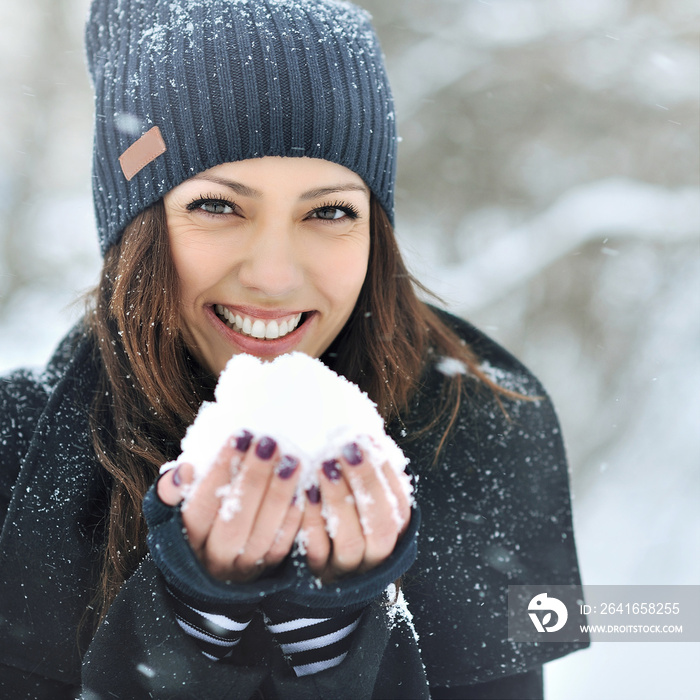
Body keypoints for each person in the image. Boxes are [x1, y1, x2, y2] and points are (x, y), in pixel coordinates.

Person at [0, 0, 589, 697]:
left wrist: (333, 636)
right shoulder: (21, 454)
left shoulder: (485, 425)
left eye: (330, 210)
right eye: (217, 206)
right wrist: (193, 629)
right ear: (135, 225)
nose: (274, 276)